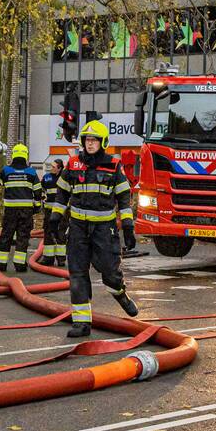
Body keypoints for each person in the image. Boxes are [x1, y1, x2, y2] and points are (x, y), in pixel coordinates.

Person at [50, 120, 138, 338]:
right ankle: (82, 323)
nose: (90, 144)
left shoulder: (113, 166)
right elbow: (62, 193)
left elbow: (124, 198)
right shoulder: (72, 165)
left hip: (104, 230)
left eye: (94, 140)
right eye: (87, 140)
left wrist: (127, 225)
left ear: (103, 142)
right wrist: (55, 218)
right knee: (77, 273)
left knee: (109, 272)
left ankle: (120, 293)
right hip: (78, 229)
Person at [0, 143, 42, 273]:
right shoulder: (31, 172)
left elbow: (0, 181)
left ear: (14, 154)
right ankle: (20, 264)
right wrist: (37, 206)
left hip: (10, 210)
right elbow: (38, 191)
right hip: (26, 210)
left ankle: (1, 264)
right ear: (26, 155)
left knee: (6, 235)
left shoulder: (6, 171)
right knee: (23, 236)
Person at [40, 158, 67, 267]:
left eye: (54, 167)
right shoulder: (47, 178)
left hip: (62, 212)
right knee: (48, 233)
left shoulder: (65, 178)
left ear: (60, 168)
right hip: (49, 211)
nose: (51, 169)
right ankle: (48, 258)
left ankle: (61, 259)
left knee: (60, 233)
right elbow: (41, 189)